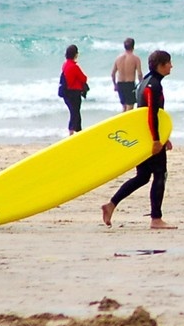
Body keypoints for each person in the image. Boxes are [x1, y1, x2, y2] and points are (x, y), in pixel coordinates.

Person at [102, 50, 176, 229]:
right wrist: (157, 140)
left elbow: (144, 114)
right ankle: (156, 219)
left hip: (145, 137)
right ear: (160, 65)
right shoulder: (154, 85)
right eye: (169, 63)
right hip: (151, 140)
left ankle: (111, 205)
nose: (171, 66)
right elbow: (151, 114)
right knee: (160, 175)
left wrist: (163, 137)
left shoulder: (144, 82)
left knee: (143, 177)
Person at [59, 44, 89, 135]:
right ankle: (71, 132)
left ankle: (78, 131)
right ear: (75, 54)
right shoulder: (74, 67)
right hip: (73, 93)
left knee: (75, 112)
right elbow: (84, 78)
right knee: (75, 113)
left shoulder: (65, 65)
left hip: (66, 93)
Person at [110, 38, 143, 112]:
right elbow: (139, 74)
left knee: (124, 107)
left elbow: (113, 74)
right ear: (133, 46)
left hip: (120, 84)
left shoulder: (118, 58)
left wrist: (115, 85)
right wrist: (141, 85)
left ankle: (122, 122)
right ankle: (127, 123)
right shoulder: (135, 59)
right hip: (129, 84)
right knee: (130, 107)